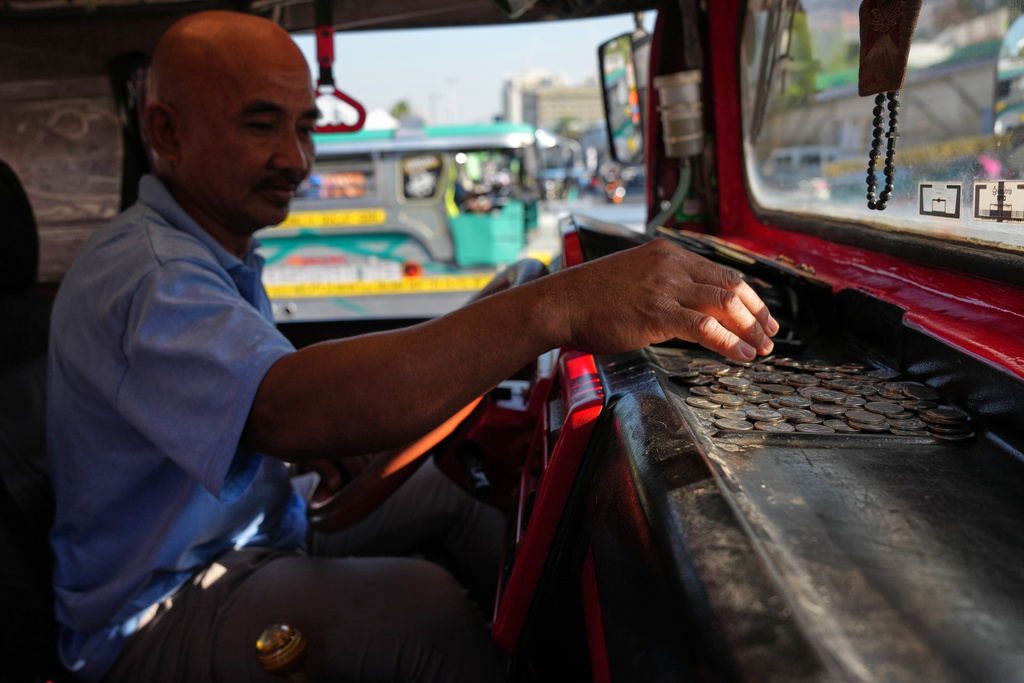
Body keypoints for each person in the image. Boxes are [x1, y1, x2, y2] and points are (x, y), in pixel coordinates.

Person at [45, 10, 778, 683]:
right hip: (161, 604)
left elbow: (274, 401)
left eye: (304, 128)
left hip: (261, 524)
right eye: (261, 125)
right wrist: (556, 306)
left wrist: (327, 438)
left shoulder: (212, 252)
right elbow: (286, 407)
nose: (296, 160)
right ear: (167, 133)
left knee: (446, 500)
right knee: (424, 611)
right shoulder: (151, 273)